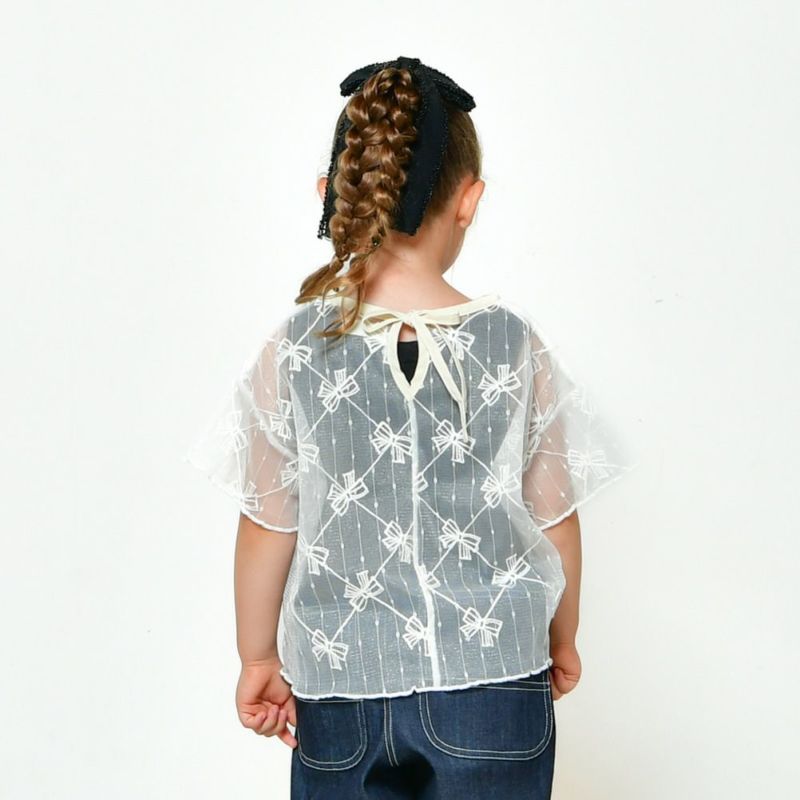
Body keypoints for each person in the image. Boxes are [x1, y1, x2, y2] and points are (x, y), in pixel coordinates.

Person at [185, 55, 634, 800]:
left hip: (342, 687)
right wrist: (562, 635)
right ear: (469, 200)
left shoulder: (296, 347)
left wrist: (257, 657)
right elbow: (554, 514)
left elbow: (269, 523)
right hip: (494, 682)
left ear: (333, 195)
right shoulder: (508, 341)